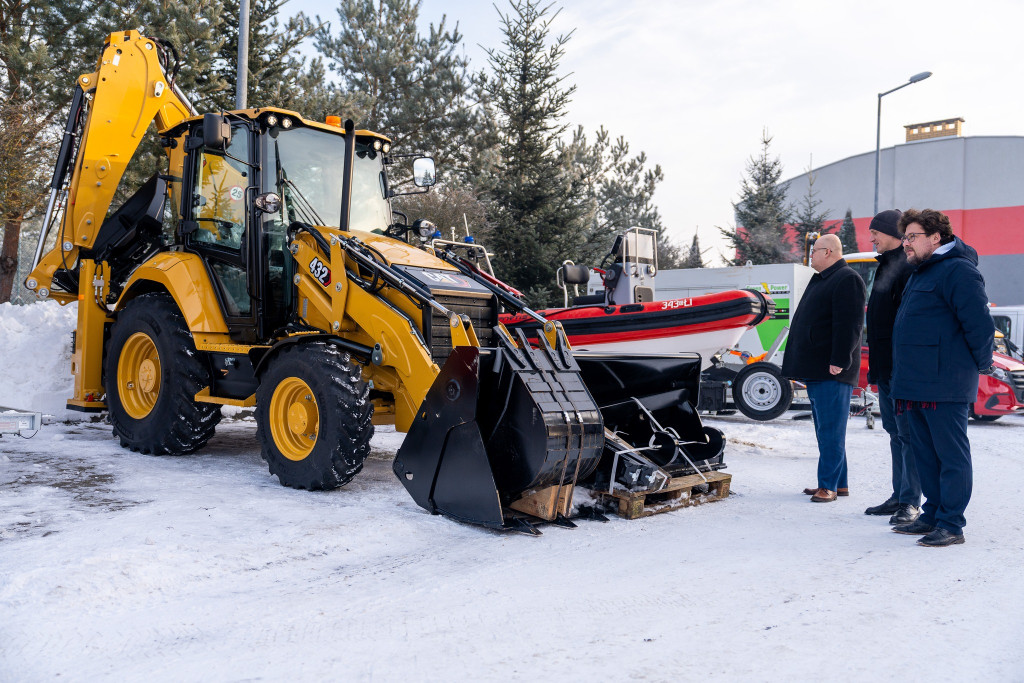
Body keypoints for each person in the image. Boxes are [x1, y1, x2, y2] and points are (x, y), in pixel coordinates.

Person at [890, 209, 995, 547]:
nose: (905, 243)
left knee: (950, 456)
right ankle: (933, 514)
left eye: (911, 237)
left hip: (945, 383)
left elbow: (979, 326)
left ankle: (952, 524)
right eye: (904, 237)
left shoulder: (959, 271)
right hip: (916, 381)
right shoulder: (920, 272)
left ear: (936, 238)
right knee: (925, 455)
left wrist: (978, 367)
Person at [783, 233, 866, 502]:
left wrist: (840, 360)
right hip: (818, 368)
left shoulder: (847, 279)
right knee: (826, 430)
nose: (811, 256)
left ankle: (827, 487)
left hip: (832, 370)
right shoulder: (823, 278)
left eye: (815, 251)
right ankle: (838, 484)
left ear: (828, 252)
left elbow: (849, 325)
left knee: (831, 431)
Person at [862, 210, 921, 524]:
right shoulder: (886, 264)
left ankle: (911, 502)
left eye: (875, 233)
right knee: (894, 433)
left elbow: (906, 324)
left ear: (892, 233)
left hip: (902, 370)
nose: (871, 238)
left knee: (908, 436)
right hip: (886, 368)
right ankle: (899, 495)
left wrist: (900, 367)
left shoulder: (907, 267)